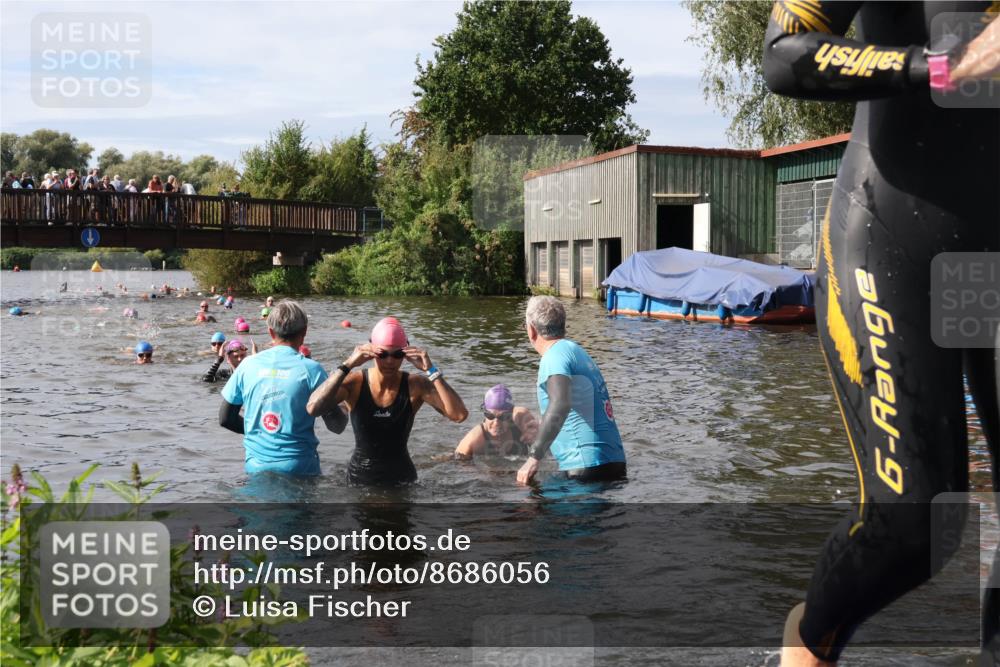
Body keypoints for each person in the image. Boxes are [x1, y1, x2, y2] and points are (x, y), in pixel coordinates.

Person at [762, 4, 999, 666]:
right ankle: (807, 644)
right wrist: (944, 67)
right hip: (894, 238)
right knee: (917, 523)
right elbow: (784, 53)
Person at [306, 317, 469, 486]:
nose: (390, 361)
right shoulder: (355, 383)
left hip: (402, 482)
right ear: (371, 350)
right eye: (382, 354)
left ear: (405, 352)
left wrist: (431, 370)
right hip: (359, 481)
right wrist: (347, 365)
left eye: (397, 354)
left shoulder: (415, 385)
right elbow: (313, 408)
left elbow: (459, 415)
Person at [218, 300, 348, 475]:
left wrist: (261, 432)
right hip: (299, 467)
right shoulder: (312, 370)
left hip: (256, 466)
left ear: (270, 332)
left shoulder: (247, 365)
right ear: (305, 332)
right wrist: (344, 402)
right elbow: (336, 425)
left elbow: (225, 419)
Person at [516, 296, 626, 485]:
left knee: (524, 507)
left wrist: (534, 457)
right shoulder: (578, 352)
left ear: (531, 330)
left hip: (586, 468)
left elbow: (561, 403)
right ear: (563, 326)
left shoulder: (553, 357)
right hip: (614, 463)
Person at [455, 384, 539, 459]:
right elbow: (456, 464)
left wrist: (536, 435)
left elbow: (543, 442)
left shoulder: (521, 420)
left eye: (503, 417)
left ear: (510, 415)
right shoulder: (474, 440)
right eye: (490, 416)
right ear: (484, 412)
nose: (496, 423)